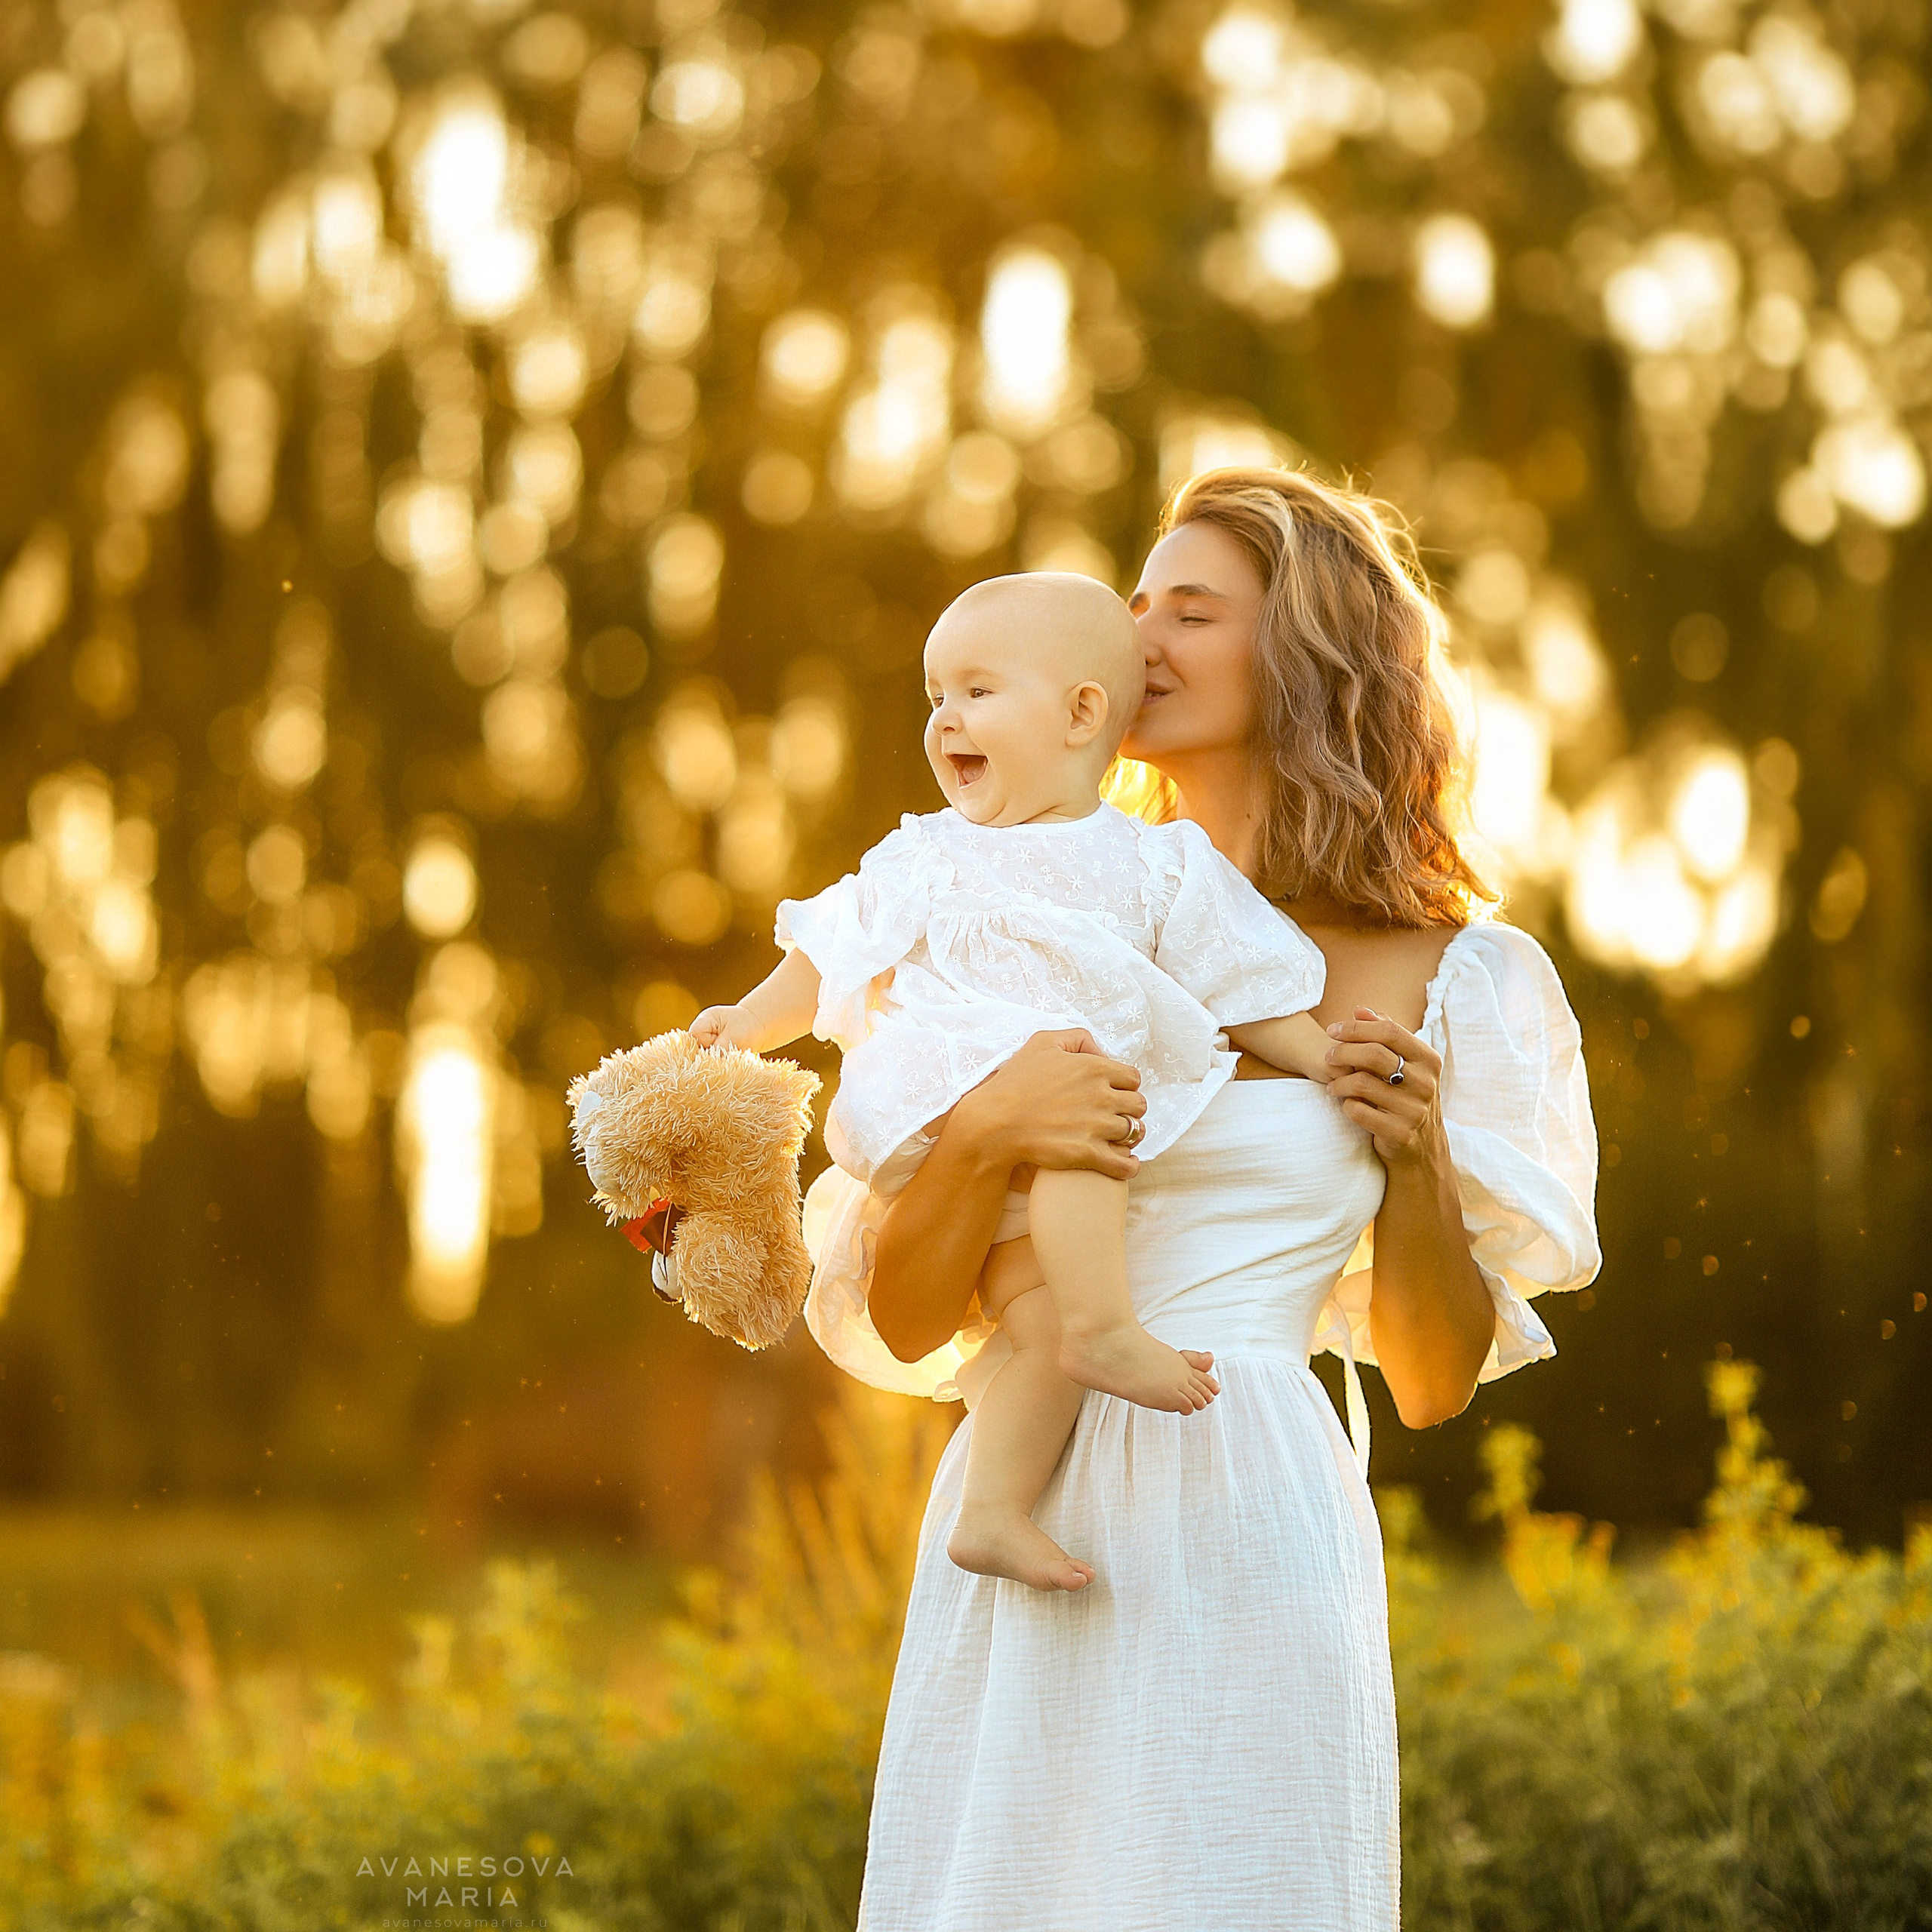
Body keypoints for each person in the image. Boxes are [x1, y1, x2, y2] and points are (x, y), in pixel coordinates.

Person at [801, 468, 1603, 1931]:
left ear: (1308, 653)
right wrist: (983, 1131)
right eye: (1131, 602)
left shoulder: (1451, 973)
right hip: (1018, 1497)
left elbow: (1426, 1379)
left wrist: (1414, 1156)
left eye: (1192, 607)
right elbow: (916, 1317)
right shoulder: (1002, 916)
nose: (1139, 632)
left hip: (1246, 1502)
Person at [690, 571, 1334, 1595]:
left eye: (977, 692)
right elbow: (831, 949)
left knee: (1034, 1329)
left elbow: (1239, 981)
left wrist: (1317, 1055)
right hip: (948, 1098)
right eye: (936, 696)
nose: (947, 719)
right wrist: (748, 1023)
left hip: (1035, 1168)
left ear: (1082, 714)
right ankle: (1105, 1324)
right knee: (1088, 1098)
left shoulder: (1154, 863)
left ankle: (993, 1508)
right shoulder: (930, 853)